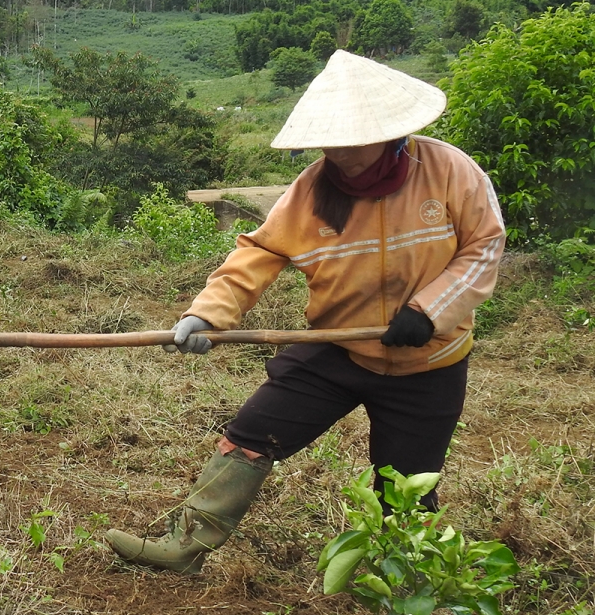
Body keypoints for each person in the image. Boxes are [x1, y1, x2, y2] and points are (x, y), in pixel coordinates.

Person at [107, 50, 506, 575]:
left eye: (352, 140)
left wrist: (430, 310)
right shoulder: (311, 190)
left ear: (389, 131)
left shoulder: (450, 172)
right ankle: (185, 546)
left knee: (407, 482)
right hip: (335, 348)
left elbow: (484, 245)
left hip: (429, 364)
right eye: (330, 140)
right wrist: (208, 314)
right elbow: (259, 252)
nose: (339, 153)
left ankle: (408, 580)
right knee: (251, 434)